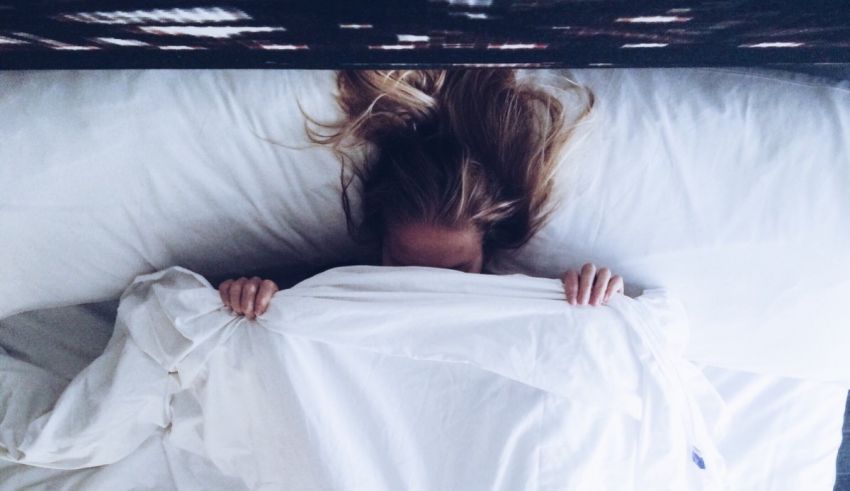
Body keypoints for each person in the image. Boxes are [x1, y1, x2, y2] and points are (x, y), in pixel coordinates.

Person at [219, 69, 623, 319]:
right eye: (404, 267)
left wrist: (602, 298)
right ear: (379, 247)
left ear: (487, 250)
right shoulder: (333, 286)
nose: (431, 289)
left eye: (459, 271)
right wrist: (252, 295)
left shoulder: (520, 295)